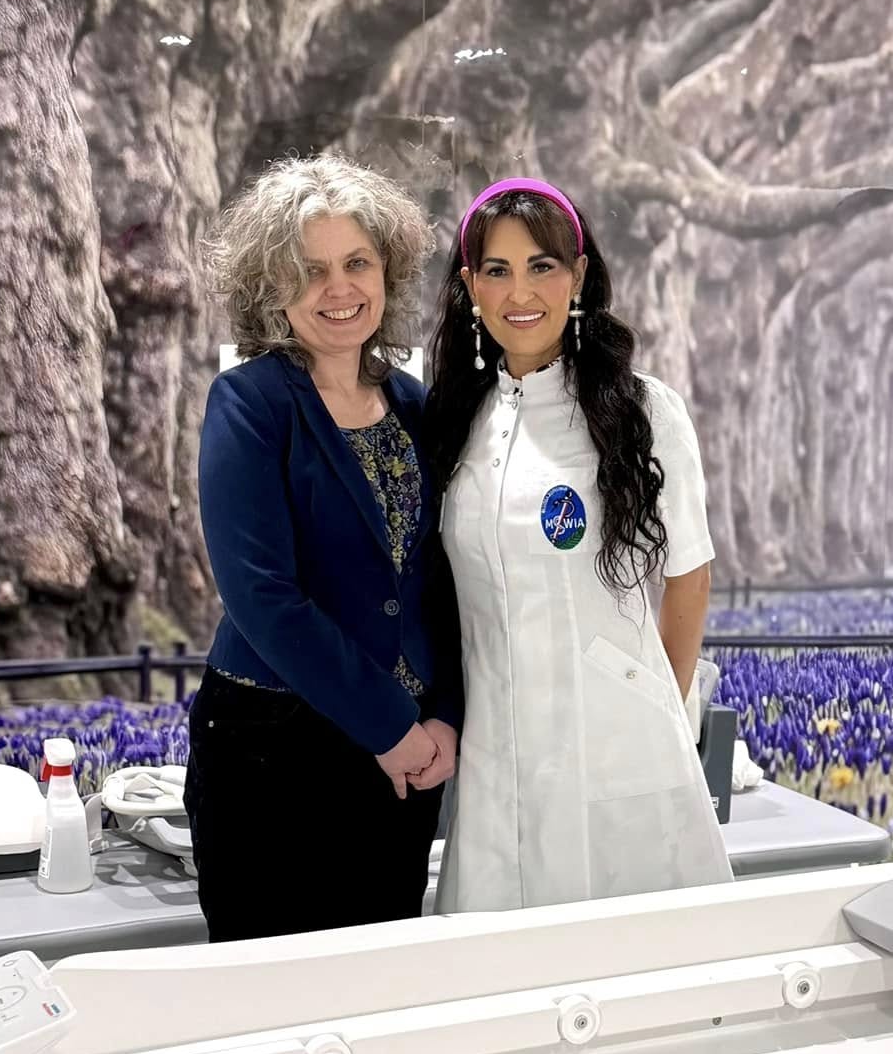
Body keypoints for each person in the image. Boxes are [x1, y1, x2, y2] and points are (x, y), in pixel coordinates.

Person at [424, 176, 730, 911]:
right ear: (470, 286)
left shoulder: (644, 412)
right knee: (501, 959)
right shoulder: (455, 420)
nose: (520, 292)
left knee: (634, 956)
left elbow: (689, 577)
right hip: (496, 754)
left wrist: (653, 708)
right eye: (497, 270)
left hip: (617, 748)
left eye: (542, 266)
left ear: (579, 274)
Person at [186, 155, 462, 942]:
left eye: (356, 263)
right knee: (274, 993)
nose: (339, 289)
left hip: (408, 761)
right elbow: (261, 595)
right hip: (272, 756)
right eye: (309, 272)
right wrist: (393, 728)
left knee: (379, 983)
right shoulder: (248, 403)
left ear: (387, 270)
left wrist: (445, 717)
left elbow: (446, 578)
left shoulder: (415, 405)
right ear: (272, 287)